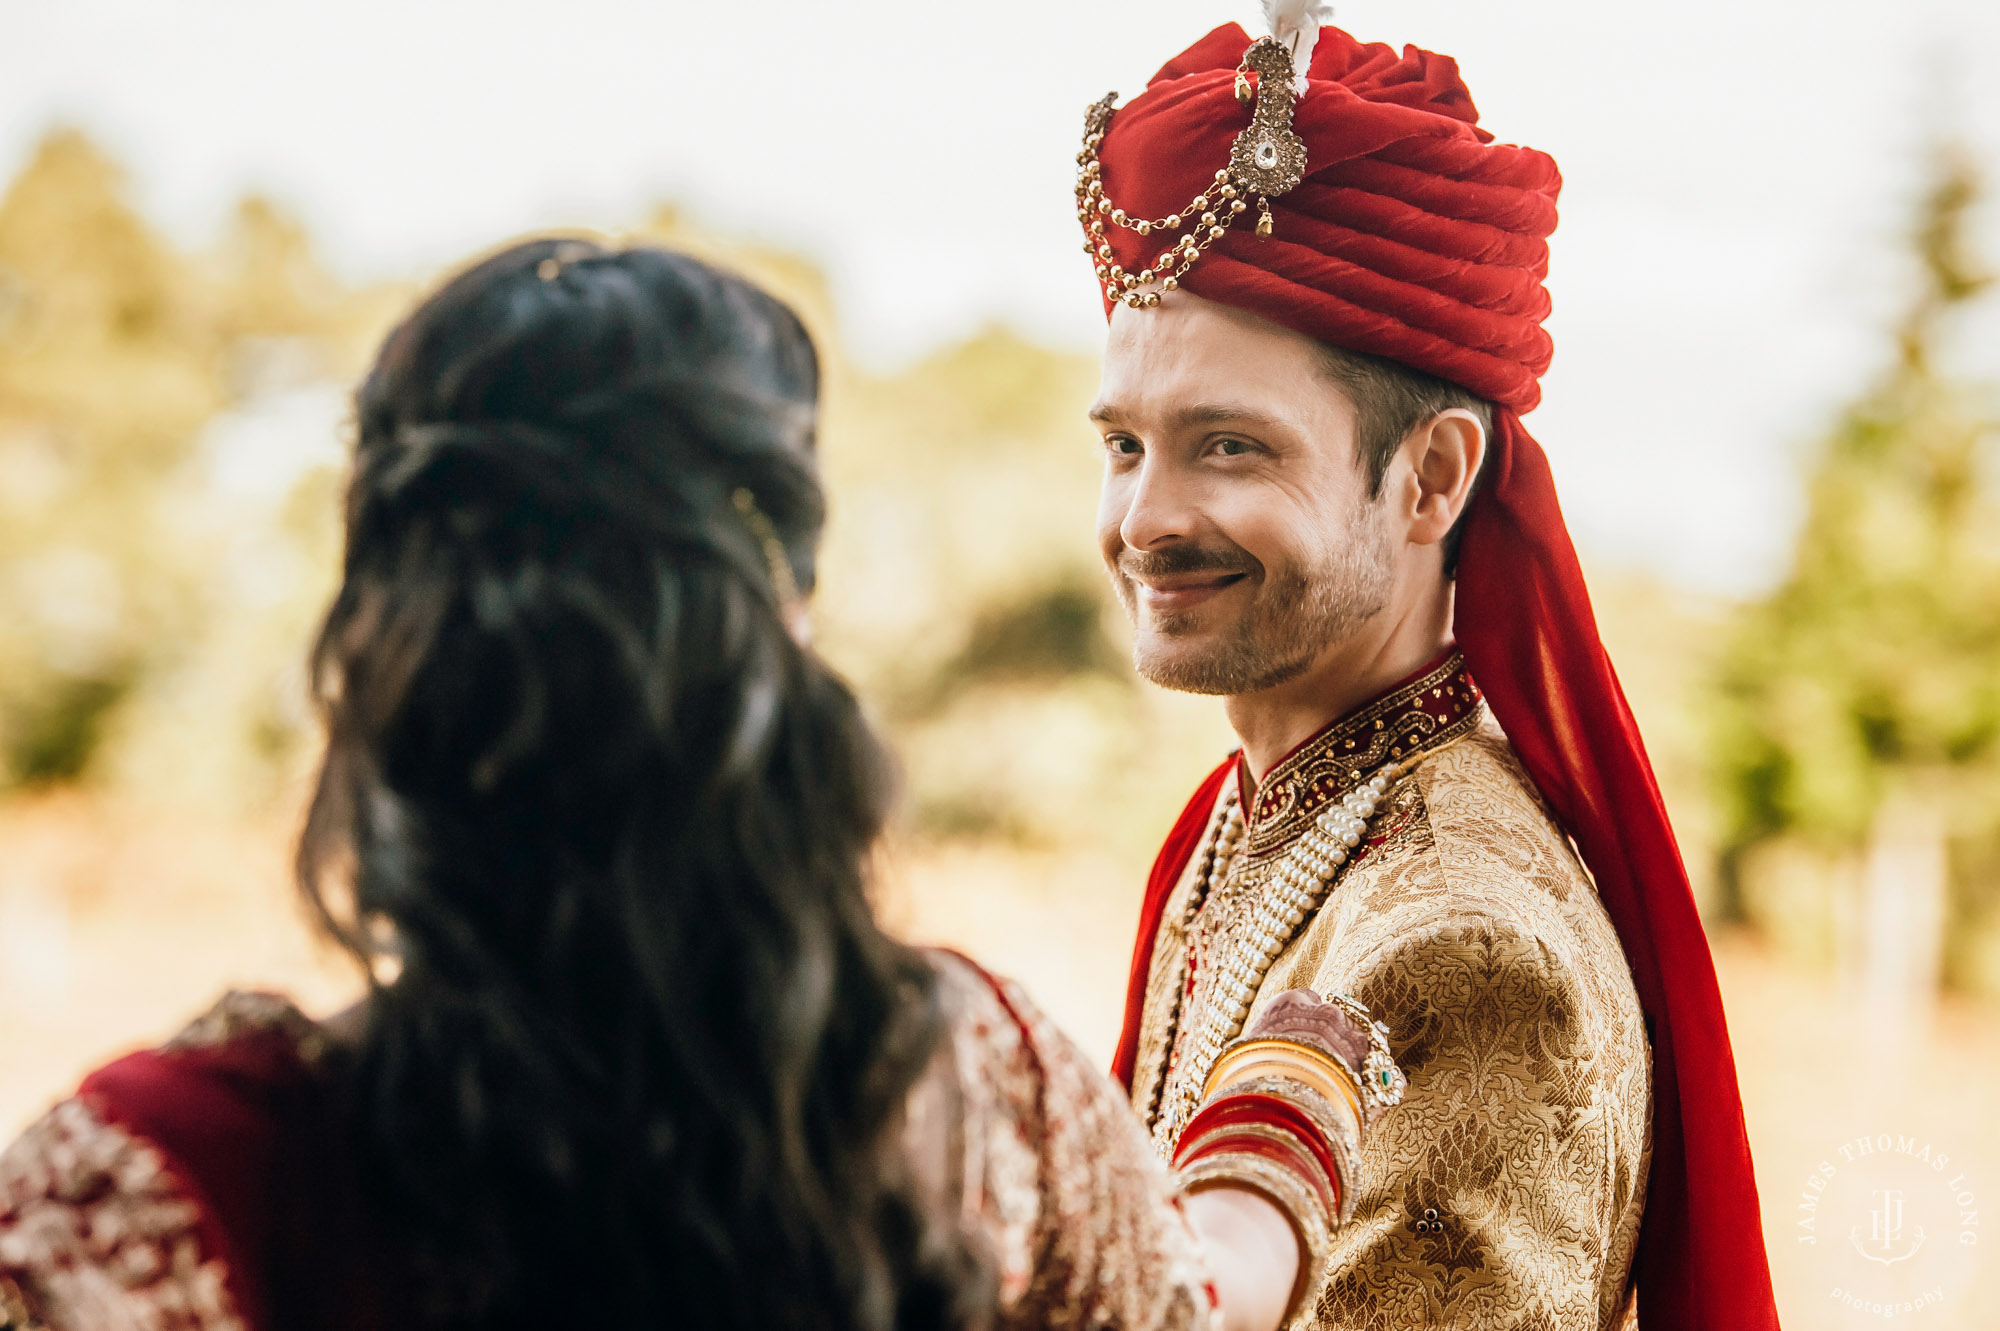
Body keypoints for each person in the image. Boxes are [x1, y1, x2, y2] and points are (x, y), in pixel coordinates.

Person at [0, 239, 1399, 1331]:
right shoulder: (978, 1095)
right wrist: (1285, 1105)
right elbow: (1194, 1302)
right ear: (780, 630)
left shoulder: (145, 1196)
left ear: (378, 654)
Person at [1080, 8, 1780, 1330]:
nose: (1146, 520)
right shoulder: (1265, 822)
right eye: (1125, 445)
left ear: (1433, 477)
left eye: (1230, 446)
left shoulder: (1462, 945)